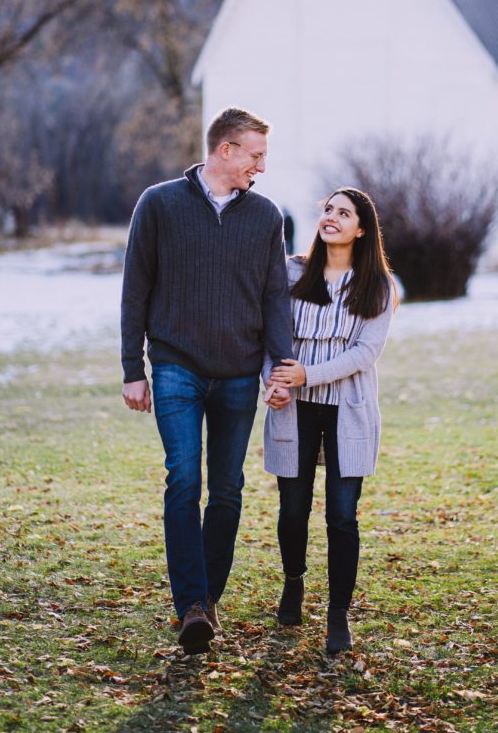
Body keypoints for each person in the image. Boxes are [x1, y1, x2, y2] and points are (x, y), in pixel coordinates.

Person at [121, 107, 293, 655]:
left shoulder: (267, 217)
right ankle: (191, 605)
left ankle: (208, 599)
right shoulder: (159, 204)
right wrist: (133, 369)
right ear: (226, 150)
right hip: (176, 366)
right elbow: (135, 290)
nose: (261, 167)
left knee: (228, 489)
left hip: (240, 373)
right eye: (255, 155)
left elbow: (274, 298)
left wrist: (280, 367)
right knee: (183, 480)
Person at [263, 188, 397, 654]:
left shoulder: (377, 285)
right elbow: (270, 334)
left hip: (349, 407)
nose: (332, 218)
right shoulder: (291, 271)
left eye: (344, 213)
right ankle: (293, 585)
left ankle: (338, 614)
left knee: (342, 516)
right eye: (327, 210)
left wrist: (307, 375)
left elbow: (366, 352)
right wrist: (276, 382)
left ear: (362, 229)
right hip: (293, 407)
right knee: (293, 508)